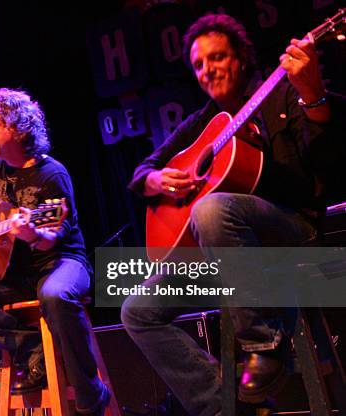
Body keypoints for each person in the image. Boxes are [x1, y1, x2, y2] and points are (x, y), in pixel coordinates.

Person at [121, 13, 338, 415]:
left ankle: (264, 344)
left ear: (241, 58)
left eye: (217, 58)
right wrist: (156, 181)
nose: (207, 70)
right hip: (225, 255)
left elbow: (329, 164)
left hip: (292, 231)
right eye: (199, 65)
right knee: (138, 309)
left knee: (210, 208)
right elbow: (140, 171)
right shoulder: (203, 123)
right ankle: (224, 407)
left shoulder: (282, 92)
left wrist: (315, 98)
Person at [0, 88, 110, 415]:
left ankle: (91, 396)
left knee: (55, 295)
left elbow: (52, 240)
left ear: (17, 128)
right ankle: (32, 347)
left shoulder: (52, 174)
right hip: (14, 274)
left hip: (61, 261)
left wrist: (32, 232)